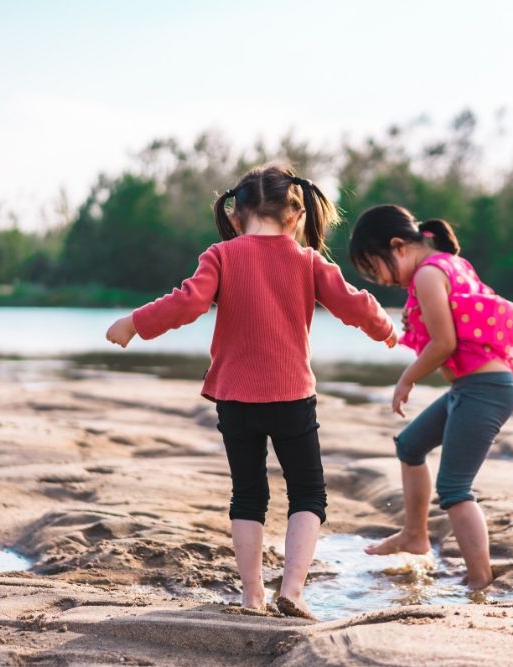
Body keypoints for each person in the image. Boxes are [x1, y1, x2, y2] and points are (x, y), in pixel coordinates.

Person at [105, 164, 396, 620]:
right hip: (292, 395)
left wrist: (135, 322)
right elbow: (352, 303)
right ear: (295, 215)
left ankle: (252, 596)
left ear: (235, 216)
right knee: (308, 494)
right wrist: (384, 328)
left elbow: (188, 302)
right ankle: (293, 591)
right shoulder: (308, 261)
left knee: (247, 495)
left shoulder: (221, 255)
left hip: (234, 398)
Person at [348, 204, 513, 589]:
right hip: (474, 387)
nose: (381, 280)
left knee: (455, 490)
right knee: (410, 445)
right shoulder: (448, 264)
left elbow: (445, 344)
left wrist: (406, 380)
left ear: (398, 246)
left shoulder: (428, 274)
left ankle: (480, 580)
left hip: (485, 391)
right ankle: (414, 534)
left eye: (376, 268)